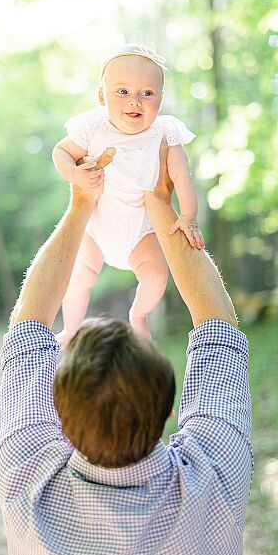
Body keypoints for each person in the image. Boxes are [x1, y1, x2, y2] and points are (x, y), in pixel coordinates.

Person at [0, 139, 252, 555]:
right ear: (169, 412)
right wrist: (157, 198)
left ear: (57, 414)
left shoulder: (25, 480)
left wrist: (81, 205)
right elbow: (218, 325)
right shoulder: (216, 472)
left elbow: (28, 325)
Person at [53, 43, 204, 346]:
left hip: (141, 231)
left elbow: (181, 176)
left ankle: (139, 315)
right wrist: (74, 173)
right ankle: (71, 328)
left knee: (157, 275)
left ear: (161, 98)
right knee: (79, 276)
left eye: (147, 93)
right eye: (122, 92)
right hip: (97, 226)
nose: (135, 101)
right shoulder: (94, 128)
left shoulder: (164, 133)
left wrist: (188, 216)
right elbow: (61, 152)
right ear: (101, 97)